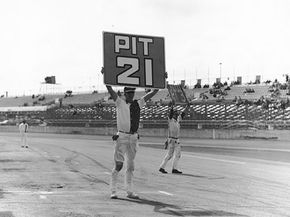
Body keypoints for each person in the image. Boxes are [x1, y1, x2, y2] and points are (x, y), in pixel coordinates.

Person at [101, 68, 159, 199]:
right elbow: (110, 89)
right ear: (124, 94)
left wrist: (161, 80)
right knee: (119, 165)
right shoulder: (120, 103)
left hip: (133, 137)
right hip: (122, 136)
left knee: (131, 166)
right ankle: (113, 190)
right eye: (128, 93)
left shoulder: (138, 103)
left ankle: (129, 191)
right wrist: (106, 76)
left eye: (132, 92)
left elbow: (153, 92)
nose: (131, 95)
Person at [159, 101, 190, 174]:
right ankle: (172, 168)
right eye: (175, 113)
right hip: (173, 140)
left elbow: (183, 114)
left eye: (177, 113)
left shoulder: (177, 120)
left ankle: (163, 167)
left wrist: (187, 107)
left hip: (174, 140)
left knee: (172, 155)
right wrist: (172, 107)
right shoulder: (170, 120)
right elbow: (170, 114)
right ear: (173, 114)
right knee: (173, 155)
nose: (177, 115)